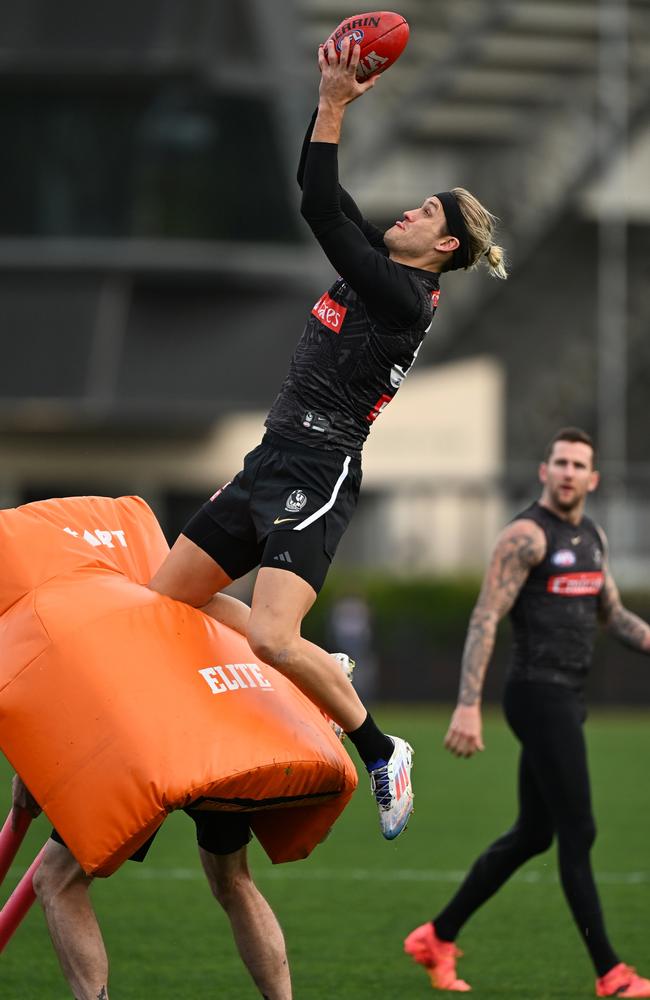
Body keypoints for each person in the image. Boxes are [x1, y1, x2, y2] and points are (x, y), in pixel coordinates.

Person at [147, 36, 507, 841]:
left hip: (319, 467)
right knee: (168, 596)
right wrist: (326, 97)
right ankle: (322, 669)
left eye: (425, 213)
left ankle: (381, 748)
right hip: (270, 455)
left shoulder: (403, 295)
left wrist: (338, 105)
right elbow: (319, 188)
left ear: (443, 247)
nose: (407, 211)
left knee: (273, 634)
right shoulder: (381, 260)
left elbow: (317, 207)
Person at [404, 427, 650, 997]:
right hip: (538, 695)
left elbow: (613, 615)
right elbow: (485, 617)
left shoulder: (592, 537)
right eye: (559, 462)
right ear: (544, 471)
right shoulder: (526, 536)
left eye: (578, 464)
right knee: (579, 829)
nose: (568, 472)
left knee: (534, 834)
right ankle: (611, 973)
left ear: (594, 478)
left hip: (569, 695)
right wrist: (468, 704)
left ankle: (437, 937)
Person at [11, 773, 292, 1000]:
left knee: (58, 879)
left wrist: (33, 766)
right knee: (233, 881)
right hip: (218, 739)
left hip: (142, 744)